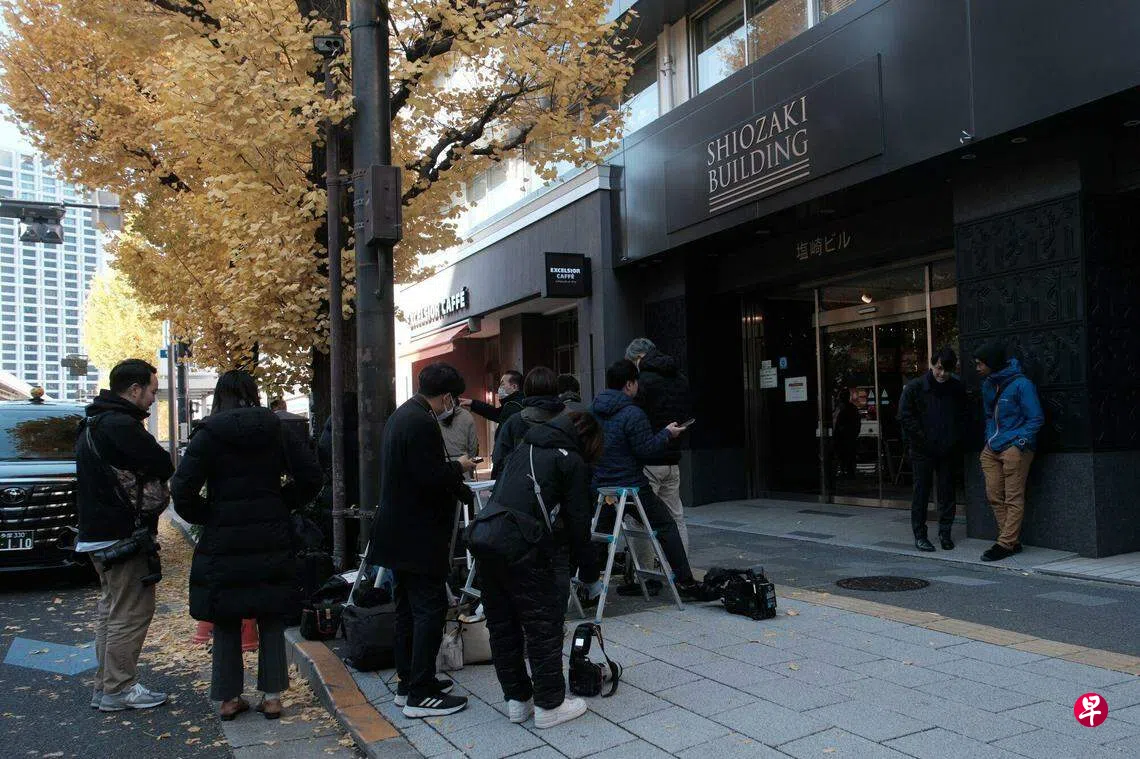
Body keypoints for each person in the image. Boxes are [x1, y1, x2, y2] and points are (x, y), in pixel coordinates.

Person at [171, 370, 322, 721]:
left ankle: (228, 698)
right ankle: (272, 696)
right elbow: (312, 476)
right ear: (253, 394)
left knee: (225, 612)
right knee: (270, 611)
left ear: (219, 396)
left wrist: (208, 514)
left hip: (224, 534)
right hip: (271, 531)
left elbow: (181, 488)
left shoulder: (209, 434)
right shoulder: (276, 429)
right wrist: (283, 502)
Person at [479, 411, 603, 729]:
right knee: (542, 626)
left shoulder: (524, 447)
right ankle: (550, 705)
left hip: (489, 542)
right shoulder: (570, 461)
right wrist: (590, 574)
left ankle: (517, 701)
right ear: (587, 440)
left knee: (503, 628)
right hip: (530, 549)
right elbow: (579, 525)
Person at [367, 362, 476, 718]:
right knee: (429, 609)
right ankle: (421, 691)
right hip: (418, 535)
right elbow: (429, 476)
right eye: (453, 398)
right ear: (446, 397)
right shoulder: (421, 422)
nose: (452, 404)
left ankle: (408, 683)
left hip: (398, 533)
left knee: (407, 611)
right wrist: (459, 466)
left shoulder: (403, 415)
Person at [75, 359, 175, 712]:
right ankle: (119, 688)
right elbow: (164, 463)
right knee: (131, 612)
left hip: (98, 533)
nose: (153, 397)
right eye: (151, 390)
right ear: (134, 389)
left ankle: (106, 687)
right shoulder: (120, 425)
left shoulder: (92, 422)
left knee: (112, 611)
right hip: (123, 535)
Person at [586, 360, 701, 597]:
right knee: (666, 524)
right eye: (636, 382)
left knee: (600, 536)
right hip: (631, 486)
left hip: (602, 486)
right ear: (629, 384)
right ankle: (685, 582)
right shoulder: (633, 413)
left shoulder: (593, 410)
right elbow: (646, 450)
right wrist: (667, 433)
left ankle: (589, 589)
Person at [625, 338, 692, 569]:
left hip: (648, 459)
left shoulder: (642, 381)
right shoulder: (680, 378)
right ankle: (682, 571)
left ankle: (644, 573)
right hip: (672, 458)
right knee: (676, 516)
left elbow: (634, 420)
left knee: (639, 518)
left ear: (638, 358)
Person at [974, 342, 1044, 562]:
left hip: (1015, 447)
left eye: (980, 364)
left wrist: (1019, 443)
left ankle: (1005, 543)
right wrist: (989, 440)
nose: (977, 368)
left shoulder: (1022, 385)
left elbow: (1035, 418)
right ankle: (1011, 541)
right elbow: (988, 415)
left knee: (1013, 497)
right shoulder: (988, 385)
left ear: (992, 363)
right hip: (992, 447)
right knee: (994, 494)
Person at [898, 348, 967, 552]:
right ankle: (920, 535)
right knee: (921, 492)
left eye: (947, 370)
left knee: (947, 492)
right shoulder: (915, 387)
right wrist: (921, 438)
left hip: (947, 448)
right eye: (939, 368)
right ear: (932, 365)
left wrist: (955, 439)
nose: (942, 374)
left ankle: (945, 533)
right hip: (922, 449)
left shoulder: (956, 388)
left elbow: (963, 416)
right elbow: (905, 417)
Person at [491, 367, 564, 479]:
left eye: (502, 384)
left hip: (522, 482)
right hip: (562, 482)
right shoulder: (571, 419)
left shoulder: (515, 420)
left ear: (527, 389)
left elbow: (499, 457)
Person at [438, 375, 480, 481]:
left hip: (440, 467)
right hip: (463, 465)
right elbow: (473, 447)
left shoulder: (433, 415)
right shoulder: (466, 416)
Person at [832, 389, 860, 480]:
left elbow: (838, 424)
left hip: (844, 437)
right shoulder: (852, 408)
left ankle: (846, 472)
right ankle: (848, 472)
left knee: (843, 456)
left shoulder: (842, 409)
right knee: (848, 457)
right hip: (849, 437)